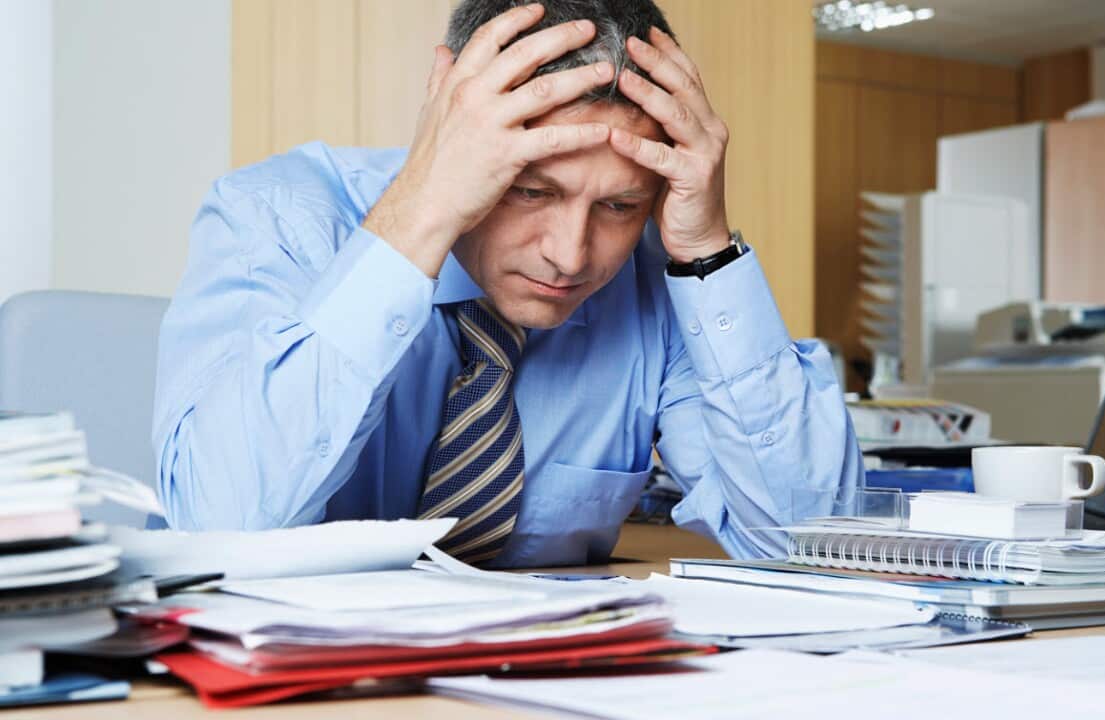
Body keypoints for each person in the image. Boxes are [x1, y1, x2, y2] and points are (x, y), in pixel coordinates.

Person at [152, 0, 863, 567]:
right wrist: (421, 212)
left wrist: (707, 253)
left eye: (620, 206)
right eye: (530, 190)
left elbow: (812, 546)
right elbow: (219, 529)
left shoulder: (658, 277)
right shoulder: (275, 217)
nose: (569, 255)